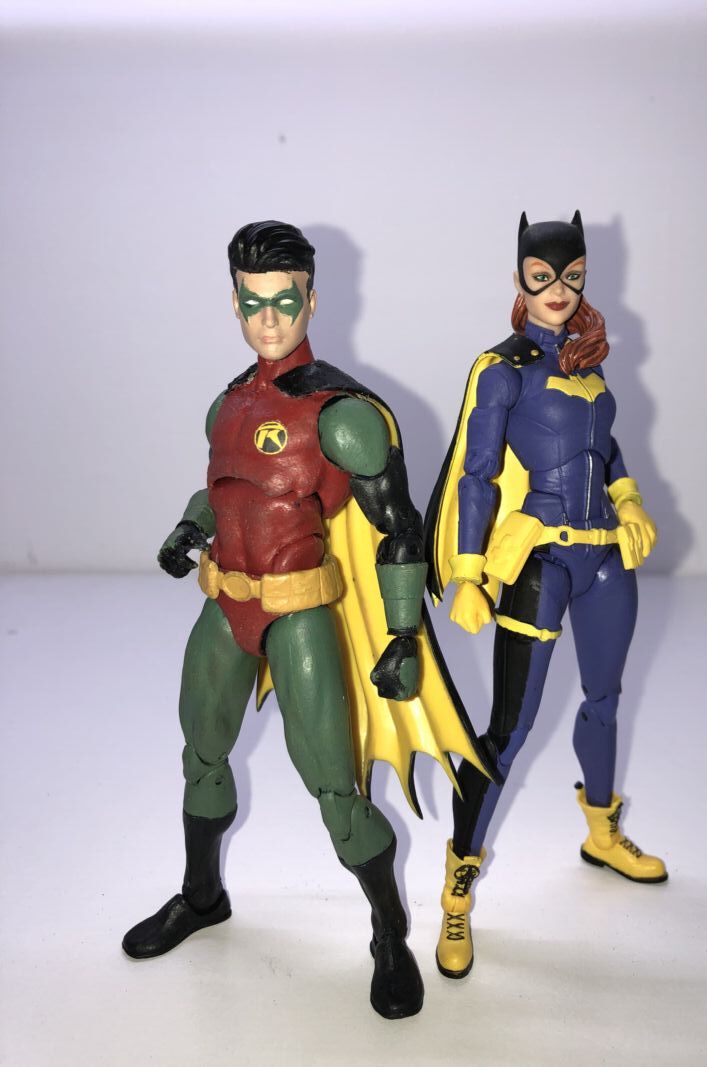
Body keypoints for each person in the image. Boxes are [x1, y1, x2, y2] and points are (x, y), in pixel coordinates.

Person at [122, 220, 487, 1019]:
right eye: (254, 303)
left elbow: (399, 528)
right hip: (226, 602)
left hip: (299, 611)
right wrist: (189, 528)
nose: (270, 319)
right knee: (202, 756)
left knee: (336, 790)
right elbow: (224, 489)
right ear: (235, 303)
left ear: (312, 300)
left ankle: (388, 932)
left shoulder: (339, 413)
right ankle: (203, 893)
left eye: (285, 302)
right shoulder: (226, 404)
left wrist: (402, 633)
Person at [425, 210, 667, 981]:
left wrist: (629, 499)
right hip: (541, 561)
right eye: (541, 276)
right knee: (508, 728)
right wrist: (469, 570)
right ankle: (458, 882)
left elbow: (607, 447)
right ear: (520, 279)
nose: (557, 289)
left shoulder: (590, 364)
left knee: (605, 698)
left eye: (572, 276)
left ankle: (602, 829)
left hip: (605, 557)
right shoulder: (504, 367)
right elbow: (476, 472)